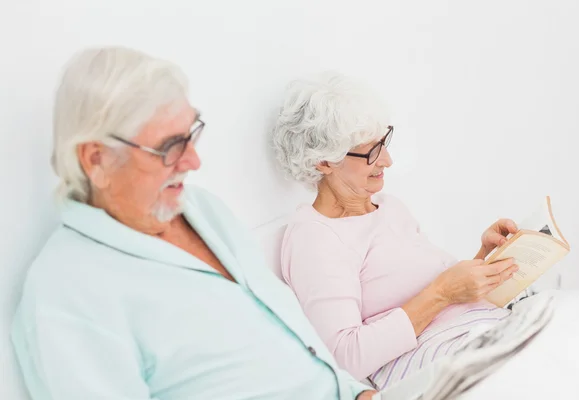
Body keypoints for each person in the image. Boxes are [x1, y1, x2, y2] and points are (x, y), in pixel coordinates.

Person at [11, 47, 379, 400]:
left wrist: (355, 392)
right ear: (97, 161)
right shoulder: (66, 293)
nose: (193, 161)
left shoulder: (200, 208)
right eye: (170, 146)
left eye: (191, 134)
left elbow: (293, 342)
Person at [271, 72, 521, 390]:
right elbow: (346, 355)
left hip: (489, 329)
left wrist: (485, 259)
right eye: (370, 152)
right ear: (323, 162)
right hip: (449, 360)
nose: (387, 160)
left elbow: (440, 295)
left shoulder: (390, 207)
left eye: (383, 142)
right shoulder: (316, 237)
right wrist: (443, 291)